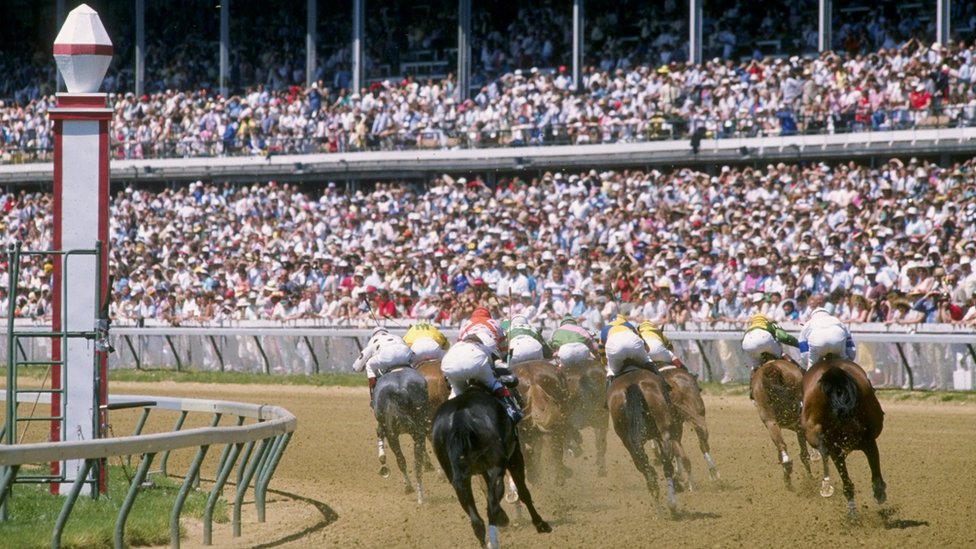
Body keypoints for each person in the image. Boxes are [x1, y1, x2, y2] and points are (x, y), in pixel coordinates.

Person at [440, 329, 523, 423]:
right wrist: (511, 379)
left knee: (455, 392)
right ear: (478, 342)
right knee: (495, 384)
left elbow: (446, 379)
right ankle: (512, 410)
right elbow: (499, 367)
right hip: (475, 363)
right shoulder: (483, 346)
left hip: (449, 365)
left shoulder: (455, 347)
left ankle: (448, 416)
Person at [351, 327, 415, 406]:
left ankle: (374, 398)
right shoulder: (396, 337)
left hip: (387, 355)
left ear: (374, 335)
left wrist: (356, 368)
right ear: (387, 332)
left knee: (369, 365)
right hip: (403, 352)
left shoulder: (373, 341)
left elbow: (359, 364)